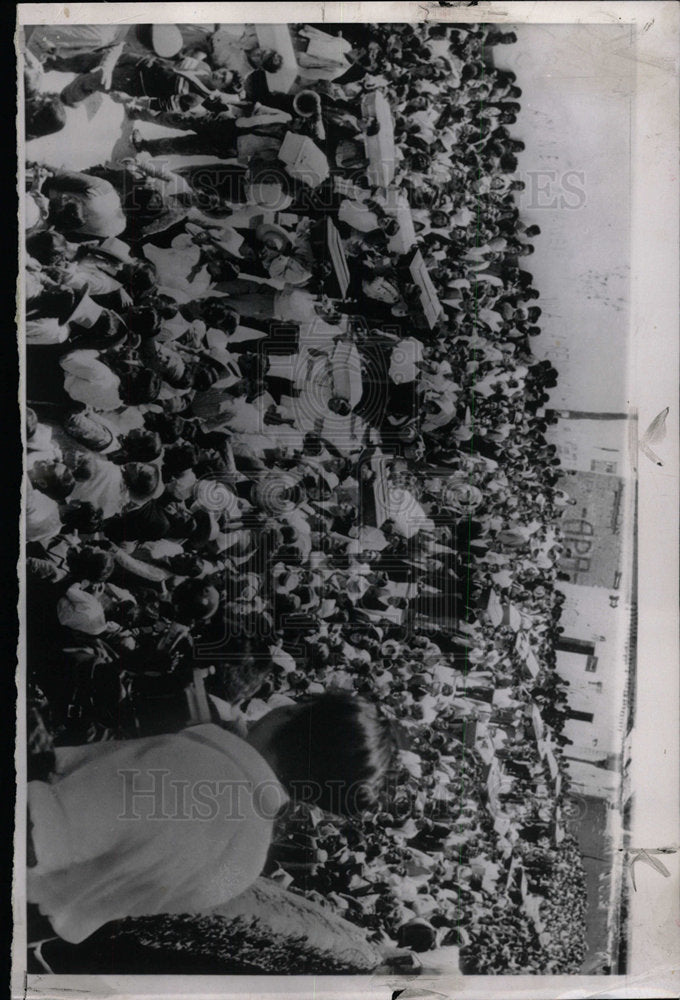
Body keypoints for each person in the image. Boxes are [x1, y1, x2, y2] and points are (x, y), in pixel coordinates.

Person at [28, 692, 393, 943]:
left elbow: (36, 836)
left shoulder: (190, 766)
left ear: (290, 713)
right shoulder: (251, 857)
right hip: (38, 924)